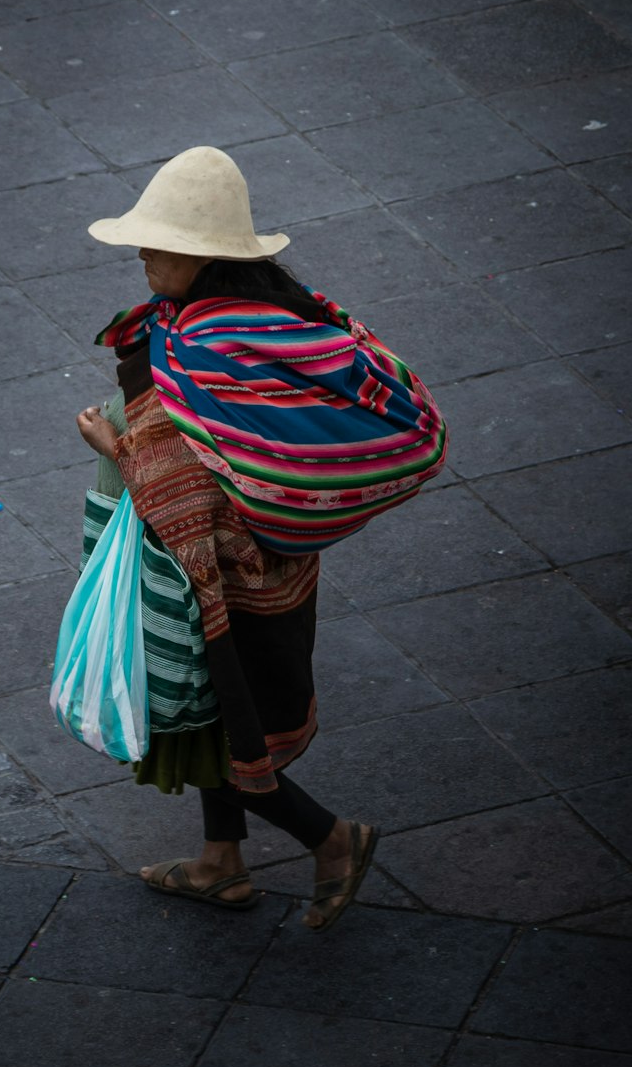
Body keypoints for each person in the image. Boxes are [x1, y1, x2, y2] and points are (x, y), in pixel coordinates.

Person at [75, 146, 426, 931]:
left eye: (159, 242)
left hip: (218, 568)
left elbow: (186, 488)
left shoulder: (198, 349)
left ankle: (332, 839)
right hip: (275, 563)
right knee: (220, 707)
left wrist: (117, 447)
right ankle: (218, 863)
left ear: (202, 255)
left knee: (220, 718)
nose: (141, 253)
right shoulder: (280, 317)